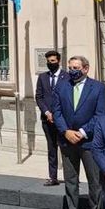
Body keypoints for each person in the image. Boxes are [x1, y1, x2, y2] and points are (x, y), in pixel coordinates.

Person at [53, 55, 105, 209]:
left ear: (85, 68)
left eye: (76, 68)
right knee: (70, 179)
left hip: (89, 142)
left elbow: (100, 115)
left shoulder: (98, 88)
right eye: (70, 68)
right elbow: (57, 112)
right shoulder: (62, 86)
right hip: (67, 141)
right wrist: (66, 131)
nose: (72, 71)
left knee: (95, 180)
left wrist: (82, 132)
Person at [36, 50, 69, 186]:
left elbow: (69, 98)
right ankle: (53, 177)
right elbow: (39, 97)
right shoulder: (42, 77)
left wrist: (57, 114)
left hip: (63, 120)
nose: (50, 63)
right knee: (51, 148)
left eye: (53, 61)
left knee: (66, 149)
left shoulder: (67, 77)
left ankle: (70, 178)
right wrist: (47, 112)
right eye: (48, 61)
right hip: (47, 119)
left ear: (58, 61)